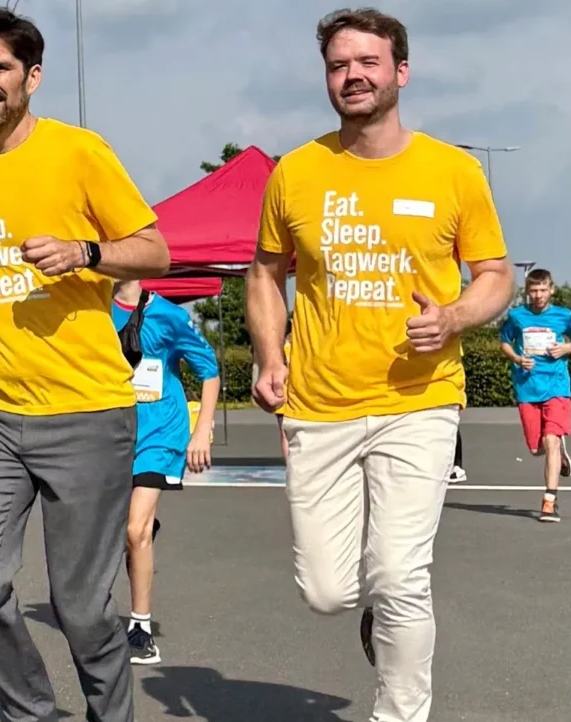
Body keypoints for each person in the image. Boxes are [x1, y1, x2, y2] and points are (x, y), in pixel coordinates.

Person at [244, 10, 514, 722]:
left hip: (420, 400)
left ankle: (400, 709)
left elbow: (494, 273)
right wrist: (270, 357)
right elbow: (266, 273)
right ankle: (381, 618)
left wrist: (453, 316)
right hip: (320, 404)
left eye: (368, 62)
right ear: (327, 78)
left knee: (400, 575)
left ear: (400, 71)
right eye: (339, 65)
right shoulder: (296, 172)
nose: (353, 75)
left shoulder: (452, 170)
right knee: (328, 591)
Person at [0, 6, 172, 716]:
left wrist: (84, 252)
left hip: (85, 411)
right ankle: (33, 713)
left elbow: (155, 250)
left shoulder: (78, 151)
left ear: (33, 76)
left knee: (81, 609)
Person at [110, 279, 220, 665]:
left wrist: (201, 431)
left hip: (160, 434)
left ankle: (141, 630)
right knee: (126, 533)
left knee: (135, 529)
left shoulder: (169, 316)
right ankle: (140, 540)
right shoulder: (91, 311)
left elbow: (209, 370)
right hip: (112, 435)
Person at [498, 268, 571, 520]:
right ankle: (559, 450)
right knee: (536, 447)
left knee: (550, 439)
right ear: (527, 292)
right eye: (533, 290)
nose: (539, 295)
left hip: (557, 387)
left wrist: (566, 347)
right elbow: (504, 342)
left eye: (543, 290)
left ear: (551, 290)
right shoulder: (517, 317)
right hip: (528, 388)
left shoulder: (564, 316)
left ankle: (549, 502)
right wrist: (518, 358)